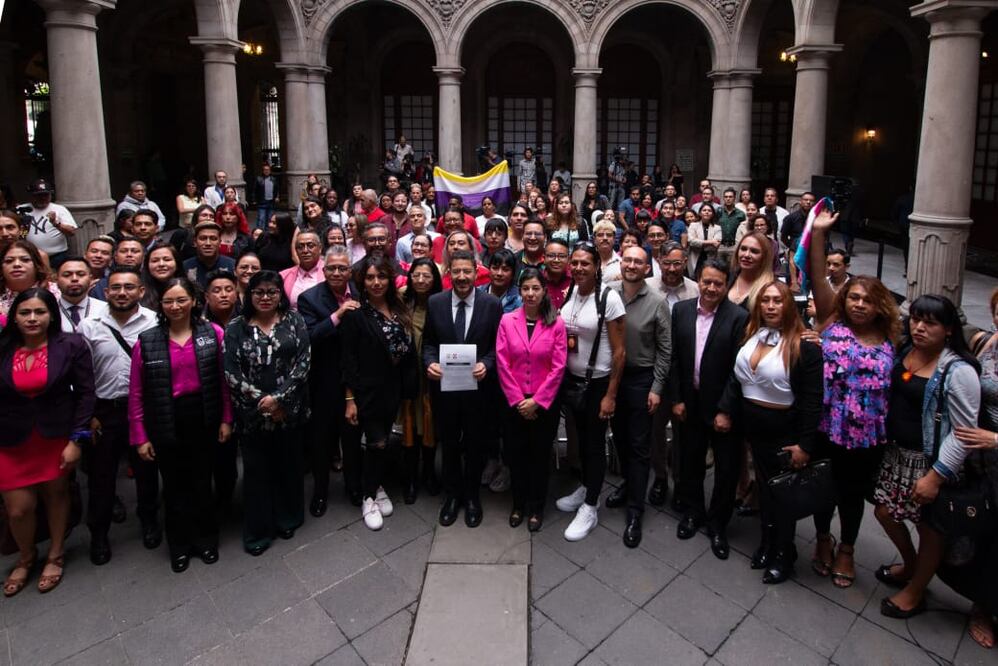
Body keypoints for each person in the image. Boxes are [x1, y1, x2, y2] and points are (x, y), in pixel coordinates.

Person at [871, 295, 981, 620]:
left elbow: (964, 432)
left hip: (931, 462)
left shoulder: (958, 371)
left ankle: (916, 590)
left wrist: (936, 475)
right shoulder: (906, 350)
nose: (919, 327)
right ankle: (911, 565)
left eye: (929, 323)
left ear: (948, 330)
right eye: (916, 319)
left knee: (930, 529)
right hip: (897, 455)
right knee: (884, 512)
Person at [807, 209, 899, 588]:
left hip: (866, 438)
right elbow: (816, 274)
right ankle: (823, 540)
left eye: (867, 300)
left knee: (852, 494)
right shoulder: (832, 321)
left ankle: (847, 547)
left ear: (880, 306)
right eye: (854, 297)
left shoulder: (895, 339)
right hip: (827, 427)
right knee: (823, 489)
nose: (859, 304)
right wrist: (818, 233)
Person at [716, 281, 823, 583]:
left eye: (778, 301)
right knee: (765, 490)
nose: (771, 306)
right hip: (751, 427)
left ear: (789, 305)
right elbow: (737, 380)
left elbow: (813, 401)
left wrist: (805, 445)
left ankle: (784, 554)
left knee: (782, 496)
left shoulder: (805, 346)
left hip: (783, 431)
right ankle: (767, 544)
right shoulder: (753, 333)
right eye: (766, 301)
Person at [129, 277, 232, 573]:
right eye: (169, 301)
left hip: (204, 416)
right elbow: (137, 393)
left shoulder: (212, 333)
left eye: (181, 300)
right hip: (165, 419)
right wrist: (140, 436)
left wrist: (226, 419)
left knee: (203, 481)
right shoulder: (147, 341)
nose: (175, 306)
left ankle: (206, 539)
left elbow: (224, 384)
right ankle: (179, 545)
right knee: (174, 487)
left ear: (194, 301)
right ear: (160, 305)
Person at [0, 288, 93, 596]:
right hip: (11, 439)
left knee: (57, 495)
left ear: (51, 315)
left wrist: (77, 439)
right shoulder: (3, 348)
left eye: (39, 312)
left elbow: (84, 394)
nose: (32, 318)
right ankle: (26, 557)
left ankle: (55, 553)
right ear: (14, 316)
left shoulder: (70, 345)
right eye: (25, 312)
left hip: (55, 435)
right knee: (18, 508)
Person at [224, 271, 311, 556]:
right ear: (249, 296)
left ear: (280, 294)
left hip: (288, 410)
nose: (265, 297)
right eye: (258, 292)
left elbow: (303, 363)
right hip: (253, 413)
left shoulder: (294, 320)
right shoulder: (236, 327)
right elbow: (231, 373)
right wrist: (263, 400)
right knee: (256, 473)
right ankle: (259, 531)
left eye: (271, 292)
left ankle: (288, 518)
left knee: (289, 466)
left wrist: (280, 399)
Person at [78, 267, 161, 565]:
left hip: (144, 410)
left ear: (140, 291)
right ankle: (99, 534)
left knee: (147, 470)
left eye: (129, 287)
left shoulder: (153, 322)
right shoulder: (89, 326)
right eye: (115, 288)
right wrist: (88, 416)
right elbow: (82, 377)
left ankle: (149, 520)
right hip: (105, 411)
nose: (122, 293)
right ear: (105, 291)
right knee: (101, 476)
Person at [668, 258, 749, 559]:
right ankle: (693, 513)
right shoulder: (682, 310)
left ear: (726, 284)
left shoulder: (739, 317)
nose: (712, 288)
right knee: (690, 464)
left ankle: (718, 524)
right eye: (707, 281)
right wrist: (676, 398)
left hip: (722, 409)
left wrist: (726, 410)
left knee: (726, 471)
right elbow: (675, 357)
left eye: (718, 283)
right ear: (698, 281)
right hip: (689, 403)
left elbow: (739, 371)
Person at [423, 250, 503, 528]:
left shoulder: (491, 304)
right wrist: (430, 363)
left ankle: (472, 497)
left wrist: (487, 364)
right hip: (445, 390)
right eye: (456, 271)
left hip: (478, 391)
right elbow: (428, 344)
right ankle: (452, 496)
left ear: (476, 271)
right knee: (449, 444)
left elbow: (497, 347)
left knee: (475, 443)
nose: (461, 277)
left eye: (466, 271)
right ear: (448, 273)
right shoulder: (435, 302)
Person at [555, 242, 626, 541]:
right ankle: (587, 486)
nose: (580, 268)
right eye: (576, 263)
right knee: (580, 441)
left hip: (597, 382)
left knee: (595, 444)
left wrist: (610, 394)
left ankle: (590, 507)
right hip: (572, 381)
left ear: (597, 265)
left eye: (586, 263)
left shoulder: (609, 298)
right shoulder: (571, 293)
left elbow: (621, 352)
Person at [340, 254, 416, 530]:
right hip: (366, 392)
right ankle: (368, 497)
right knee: (377, 442)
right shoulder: (356, 315)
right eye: (370, 277)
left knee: (381, 441)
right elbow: (348, 360)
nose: (376, 282)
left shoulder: (399, 309)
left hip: (392, 390)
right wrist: (350, 399)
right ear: (362, 281)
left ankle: (376, 484)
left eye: (381, 276)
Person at [604, 245, 671, 548]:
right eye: (627, 259)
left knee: (639, 446)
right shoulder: (608, 292)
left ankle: (635, 511)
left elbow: (665, 351)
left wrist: (656, 388)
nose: (631, 265)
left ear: (647, 268)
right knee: (619, 438)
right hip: (611, 377)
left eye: (638, 261)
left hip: (641, 379)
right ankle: (630, 484)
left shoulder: (658, 302)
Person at [496, 268, 567, 532]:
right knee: (516, 455)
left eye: (535, 288)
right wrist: (518, 400)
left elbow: (558, 367)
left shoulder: (555, 322)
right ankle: (518, 503)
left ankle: (537, 507)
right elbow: (502, 363)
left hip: (543, 403)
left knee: (539, 455)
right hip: (514, 402)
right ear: (520, 290)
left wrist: (537, 401)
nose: (530, 293)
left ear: (544, 291)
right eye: (525, 288)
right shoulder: (507, 321)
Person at [947, 287, 998, 648]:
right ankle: (983, 604)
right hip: (982, 460)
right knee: (984, 533)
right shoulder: (987, 344)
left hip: (993, 445)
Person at [298, 245, 363, 513]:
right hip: (322, 383)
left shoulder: (361, 292)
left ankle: (353, 487)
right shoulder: (309, 299)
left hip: (352, 382)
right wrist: (338, 315)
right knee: (321, 443)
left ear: (350, 270)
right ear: (324, 271)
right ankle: (320, 494)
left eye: (342, 268)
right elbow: (310, 337)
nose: (337, 272)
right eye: (332, 268)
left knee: (352, 440)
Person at [400, 258, 443, 502]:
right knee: (408, 424)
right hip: (406, 374)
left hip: (432, 374)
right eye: (416, 275)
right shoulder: (401, 298)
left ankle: (428, 472)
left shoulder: (441, 302)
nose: (421, 280)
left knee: (429, 423)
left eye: (427, 275)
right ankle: (410, 478)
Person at [23, 179, 77, 268]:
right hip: (31, 257)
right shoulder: (23, 210)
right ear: (32, 196)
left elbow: (71, 232)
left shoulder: (59, 209)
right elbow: (20, 236)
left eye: (46, 195)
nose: (43, 198)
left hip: (57, 257)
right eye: (39, 195)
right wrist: (24, 229)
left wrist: (56, 223)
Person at [1, 240, 57, 317]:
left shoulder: (56, 293)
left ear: (37, 265)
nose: (17, 265)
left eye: (25, 260)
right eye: (9, 261)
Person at [56, 257, 107, 333]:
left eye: (81, 274)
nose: (74, 278)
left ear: (90, 278)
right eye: (67, 275)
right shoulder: (49, 311)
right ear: (56, 280)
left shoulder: (105, 309)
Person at [727, 231, 775, 310]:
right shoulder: (727, 278)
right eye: (743, 249)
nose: (746, 255)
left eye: (754, 251)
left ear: (764, 257)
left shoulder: (771, 288)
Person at [183, 220, 236, 288]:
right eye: (203, 238)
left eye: (213, 239)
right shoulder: (184, 267)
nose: (208, 243)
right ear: (195, 242)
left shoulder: (232, 266)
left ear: (220, 242)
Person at [280, 231, 324, 310]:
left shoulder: (330, 273)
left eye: (310, 246)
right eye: (300, 247)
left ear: (320, 248)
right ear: (296, 251)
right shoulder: (284, 276)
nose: (305, 251)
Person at [481, 249, 522, 314]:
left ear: (513, 273)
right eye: (495, 268)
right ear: (489, 269)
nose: (499, 273)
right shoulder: (478, 292)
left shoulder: (519, 298)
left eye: (505, 270)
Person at [687, 208, 721, 277]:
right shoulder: (693, 225)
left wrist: (698, 241)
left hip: (710, 256)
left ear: (713, 214)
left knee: (708, 277)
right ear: (700, 213)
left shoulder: (717, 228)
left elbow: (716, 243)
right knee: (694, 278)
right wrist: (711, 242)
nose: (707, 212)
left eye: (709, 210)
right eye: (704, 210)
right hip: (696, 256)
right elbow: (691, 241)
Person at [593, 219, 622, 285]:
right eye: (600, 235)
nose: (605, 238)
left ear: (614, 239)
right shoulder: (587, 261)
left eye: (609, 235)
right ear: (594, 239)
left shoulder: (621, 263)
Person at [252, 163, 280, 231]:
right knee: (261, 219)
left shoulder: (273, 179)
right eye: (265, 170)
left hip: (271, 202)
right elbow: (255, 190)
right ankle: (260, 234)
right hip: (262, 202)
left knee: (270, 219)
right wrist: (254, 199)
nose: (266, 171)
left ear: (270, 171)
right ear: (263, 171)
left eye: (268, 170)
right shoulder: (259, 179)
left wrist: (277, 197)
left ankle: (268, 233)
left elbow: (277, 189)